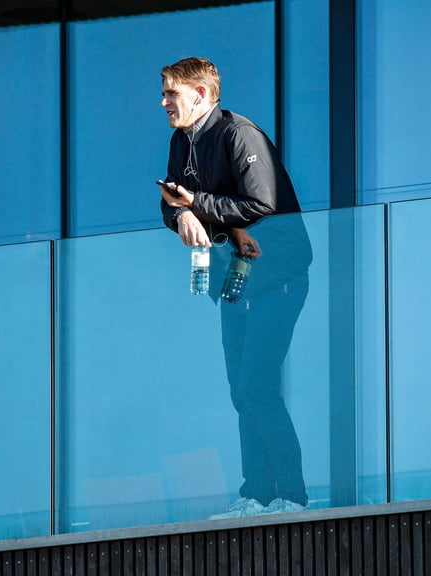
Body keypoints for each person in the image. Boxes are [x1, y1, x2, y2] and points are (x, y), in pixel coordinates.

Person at [157, 56, 314, 519]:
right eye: (164, 93)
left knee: (257, 386)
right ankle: (257, 495)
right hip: (236, 282)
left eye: (171, 93)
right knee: (242, 392)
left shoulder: (238, 133)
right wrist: (182, 214)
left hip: (277, 277)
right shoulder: (181, 140)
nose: (163, 101)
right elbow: (171, 202)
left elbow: (261, 202)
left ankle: (292, 497)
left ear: (201, 95)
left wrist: (196, 204)